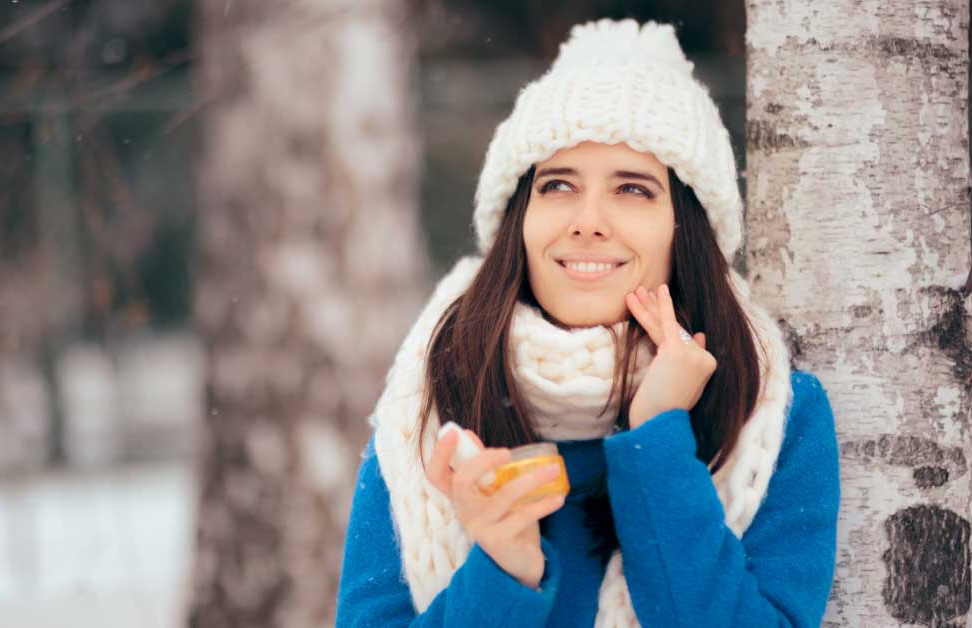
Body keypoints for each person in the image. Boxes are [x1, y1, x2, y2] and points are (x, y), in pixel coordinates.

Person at [335, 18, 839, 628]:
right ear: (518, 222)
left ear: (688, 232)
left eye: (632, 189)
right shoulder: (431, 409)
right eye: (557, 186)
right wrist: (505, 569)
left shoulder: (774, 410)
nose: (588, 221)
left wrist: (658, 443)